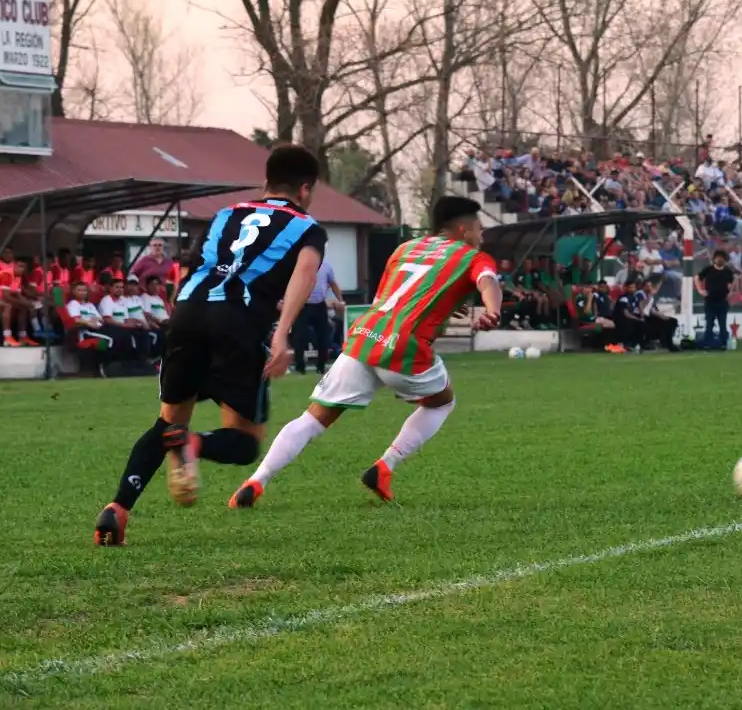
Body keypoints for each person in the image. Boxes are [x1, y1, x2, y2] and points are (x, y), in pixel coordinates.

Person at [92, 146, 328, 546]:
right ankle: (192, 444)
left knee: (168, 420)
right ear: (305, 190)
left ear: (266, 180)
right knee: (245, 441)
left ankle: (117, 509)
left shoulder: (224, 214)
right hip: (237, 320)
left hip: (188, 312)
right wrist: (282, 333)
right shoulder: (307, 227)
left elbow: (188, 268)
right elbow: (303, 276)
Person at [228, 195, 502, 508]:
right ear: (465, 229)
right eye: (480, 229)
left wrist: (443, 305)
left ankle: (255, 481)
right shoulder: (472, 256)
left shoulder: (405, 248)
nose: (481, 236)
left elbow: (390, 296)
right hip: (402, 346)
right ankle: (385, 466)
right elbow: (488, 281)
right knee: (442, 403)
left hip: (364, 337)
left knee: (315, 417)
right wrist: (492, 310)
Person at [291, 256, 344, 375]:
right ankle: (300, 367)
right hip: (302, 305)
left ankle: (321, 366)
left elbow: (333, 283)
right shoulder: (299, 264)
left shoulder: (326, 266)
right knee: (299, 336)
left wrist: (340, 300)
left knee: (323, 337)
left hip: (320, 305)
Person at [695, 250, 734, 348]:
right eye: (717, 258)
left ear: (724, 260)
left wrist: (730, 293)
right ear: (714, 259)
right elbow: (697, 277)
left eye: (722, 258)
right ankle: (707, 343)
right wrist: (700, 290)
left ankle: (723, 343)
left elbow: (731, 284)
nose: (719, 260)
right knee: (709, 324)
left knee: (722, 323)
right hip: (710, 301)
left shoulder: (728, 271)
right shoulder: (708, 269)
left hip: (722, 300)